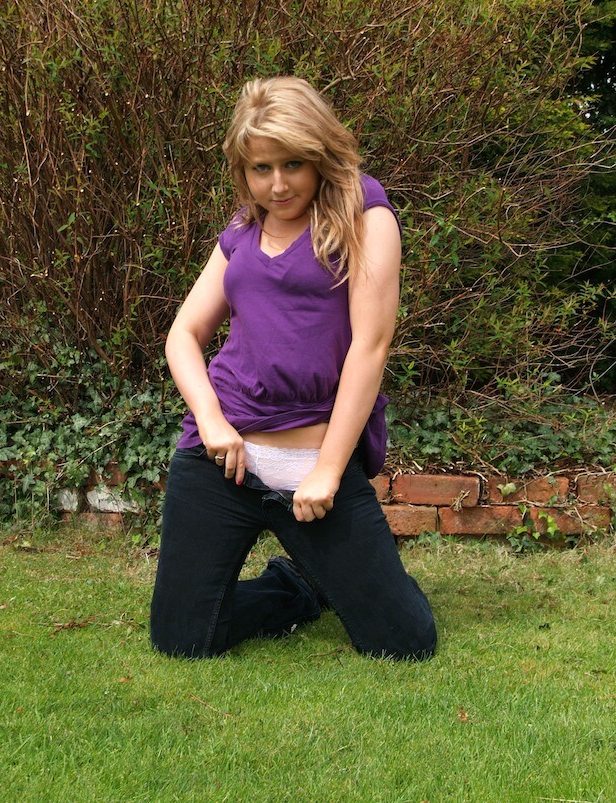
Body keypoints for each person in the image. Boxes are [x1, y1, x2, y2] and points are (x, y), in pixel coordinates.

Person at [149, 77, 436, 661]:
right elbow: (184, 334)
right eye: (261, 168)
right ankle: (296, 588)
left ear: (320, 154)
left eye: (293, 164)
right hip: (221, 462)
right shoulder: (242, 231)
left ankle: (331, 575)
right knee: (181, 638)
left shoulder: (363, 212)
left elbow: (370, 346)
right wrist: (211, 420)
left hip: (313, 465)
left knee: (404, 642)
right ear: (243, 170)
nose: (277, 184)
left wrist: (328, 470)